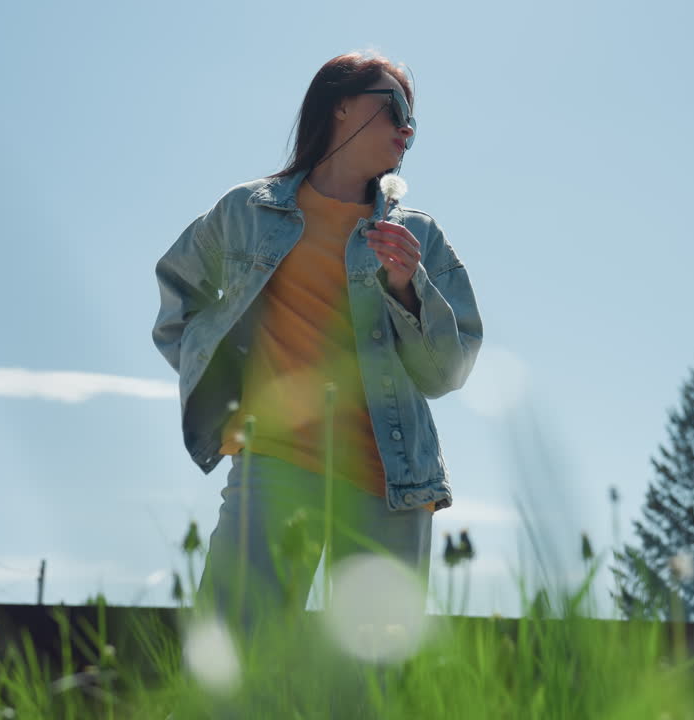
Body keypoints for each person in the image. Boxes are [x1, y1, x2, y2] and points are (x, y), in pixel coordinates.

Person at [151, 51, 482, 640]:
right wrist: (225, 386)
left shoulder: (418, 237)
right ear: (341, 105)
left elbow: (449, 371)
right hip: (273, 464)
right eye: (395, 108)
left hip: (392, 481)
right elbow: (179, 297)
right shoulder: (247, 211)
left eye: (414, 121)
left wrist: (410, 290)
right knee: (233, 660)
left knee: (368, 687)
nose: (407, 129)